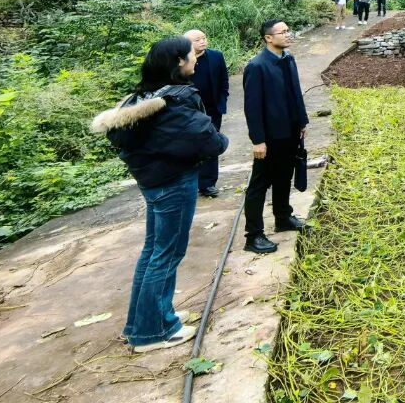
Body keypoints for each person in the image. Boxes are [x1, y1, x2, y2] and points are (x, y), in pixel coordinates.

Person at [91, 36, 228, 353]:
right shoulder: (175, 103)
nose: (196, 59)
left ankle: (144, 322)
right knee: (166, 254)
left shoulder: (142, 98)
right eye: (192, 55)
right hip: (174, 183)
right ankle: (154, 332)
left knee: (153, 251)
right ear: (179, 62)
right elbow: (210, 141)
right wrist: (221, 140)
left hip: (154, 182)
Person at [242, 19, 309, 254]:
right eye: (283, 32)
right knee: (259, 184)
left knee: (284, 175)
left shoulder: (288, 58)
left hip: (290, 131)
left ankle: (283, 217)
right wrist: (258, 140)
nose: (288, 35)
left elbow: (296, 92)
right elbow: (252, 108)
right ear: (268, 38)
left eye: (289, 31)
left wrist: (302, 121)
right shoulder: (257, 66)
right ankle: (253, 236)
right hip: (270, 136)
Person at [184, 29, 229, 197]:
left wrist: (222, 101)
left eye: (204, 38)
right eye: (197, 40)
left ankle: (208, 183)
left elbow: (224, 80)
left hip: (212, 110)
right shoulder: (180, 59)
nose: (203, 41)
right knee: (189, 146)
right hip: (189, 111)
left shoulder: (216, 56)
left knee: (211, 143)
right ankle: (190, 182)